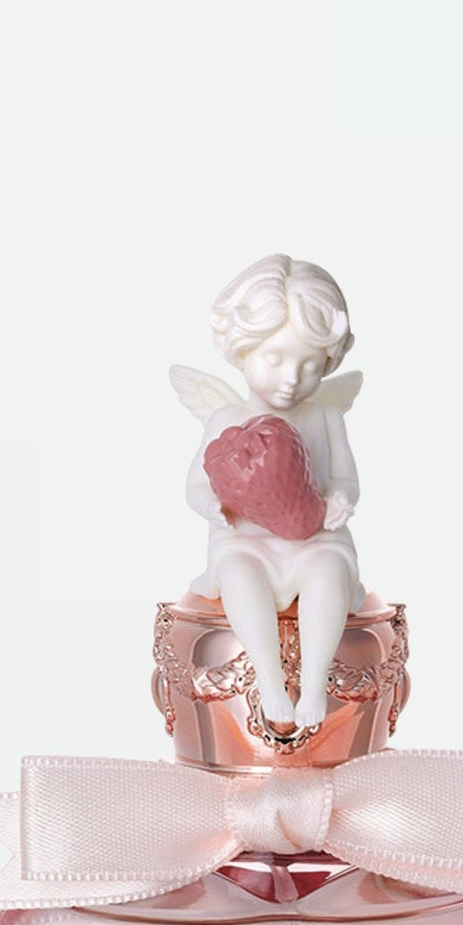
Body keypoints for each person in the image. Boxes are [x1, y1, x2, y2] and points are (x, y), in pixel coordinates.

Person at [171, 254, 364, 730]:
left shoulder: (325, 418)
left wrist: (340, 501)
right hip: (247, 540)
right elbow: (196, 483)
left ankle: (314, 684)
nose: (291, 378)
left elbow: (345, 479)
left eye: (310, 365)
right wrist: (211, 505)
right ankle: (270, 680)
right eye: (274, 359)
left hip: (313, 538)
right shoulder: (226, 420)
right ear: (241, 350)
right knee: (238, 574)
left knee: (326, 572)